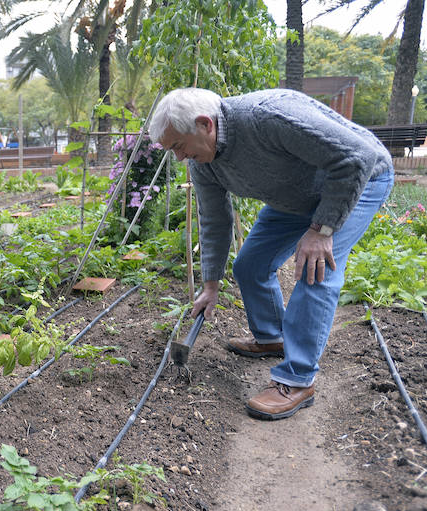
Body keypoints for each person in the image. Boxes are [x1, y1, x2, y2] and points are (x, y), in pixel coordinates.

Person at [149, 87, 393, 420]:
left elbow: (358, 157)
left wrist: (321, 230)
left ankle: (298, 380)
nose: (178, 157)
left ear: (206, 124)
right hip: (295, 197)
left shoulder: (269, 117)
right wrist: (210, 285)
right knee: (250, 264)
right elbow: (215, 221)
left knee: (314, 268)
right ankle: (272, 337)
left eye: (178, 146)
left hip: (358, 180)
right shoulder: (203, 162)